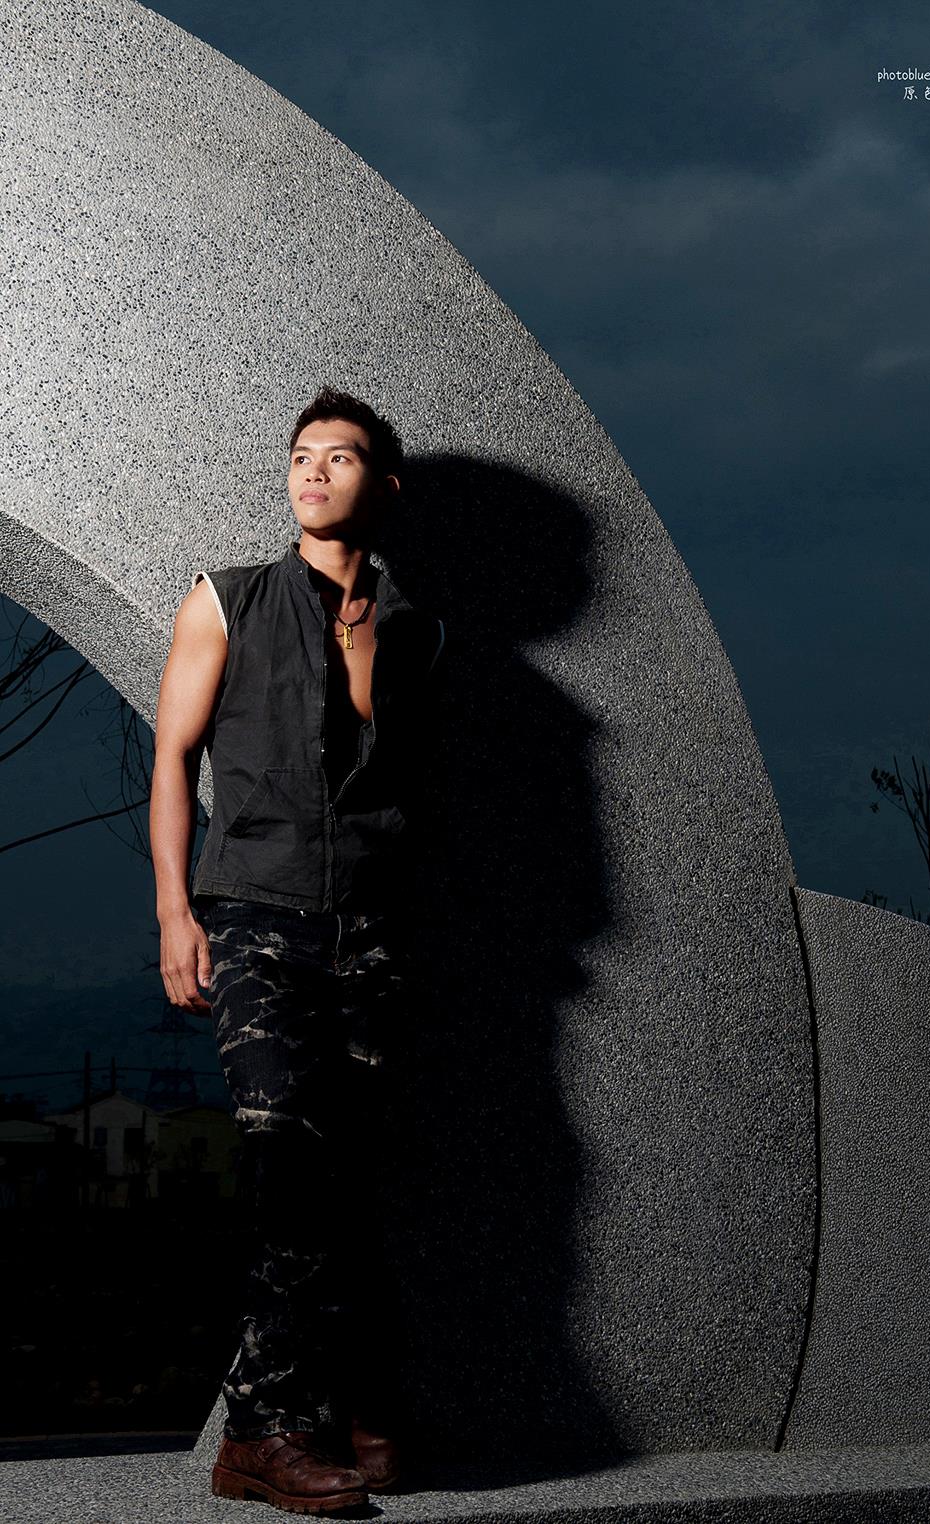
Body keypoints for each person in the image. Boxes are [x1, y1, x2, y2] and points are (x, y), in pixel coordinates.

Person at [150, 386, 445, 1515]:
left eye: (340, 456)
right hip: (255, 914)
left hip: (370, 929)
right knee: (284, 1152)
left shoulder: (416, 630)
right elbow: (174, 760)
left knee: (356, 1173)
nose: (313, 471)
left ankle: (348, 1395)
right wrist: (176, 912)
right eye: (301, 455)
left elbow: (415, 792)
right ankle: (261, 1428)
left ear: (384, 483)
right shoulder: (226, 600)